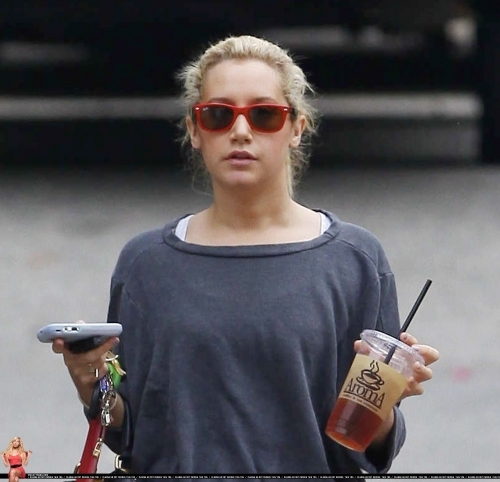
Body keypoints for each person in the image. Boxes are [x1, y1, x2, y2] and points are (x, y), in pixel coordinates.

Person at [52, 34, 439, 477]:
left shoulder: (355, 261)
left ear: (297, 128)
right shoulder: (145, 264)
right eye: (218, 115)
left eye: (264, 115)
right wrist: (91, 380)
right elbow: (132, 431)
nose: (240, 131)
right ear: (194, 130)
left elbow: (364, 444)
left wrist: (384, 403)